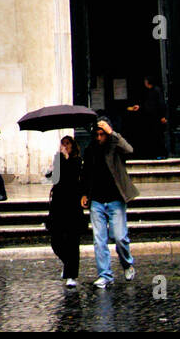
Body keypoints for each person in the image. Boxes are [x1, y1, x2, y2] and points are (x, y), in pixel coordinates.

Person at [79, 119, 139, 288]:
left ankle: (127, 263)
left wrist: (112, 133)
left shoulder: (115, 145)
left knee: (120, 238)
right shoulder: (90, 150)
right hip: (96, 200)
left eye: (102, 134)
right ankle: (105, 274)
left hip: (115, 199)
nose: (99, 137)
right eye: (97, 134)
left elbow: (129, 150)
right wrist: (83, 193)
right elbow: (85, 173)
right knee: (99, 240)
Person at [45, 136, 87, 288]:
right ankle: (67, 264)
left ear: (72, 146)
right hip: (58, 205)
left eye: (67, 144)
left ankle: (72, 275)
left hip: (73, 206)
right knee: (56, 241)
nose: (64, 147)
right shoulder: (59, 160)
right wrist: (54, 164)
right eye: (62, 144)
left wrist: (65, 159)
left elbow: (72, 177)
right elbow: (52, 177)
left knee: (72, 241)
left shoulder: (77, 161)